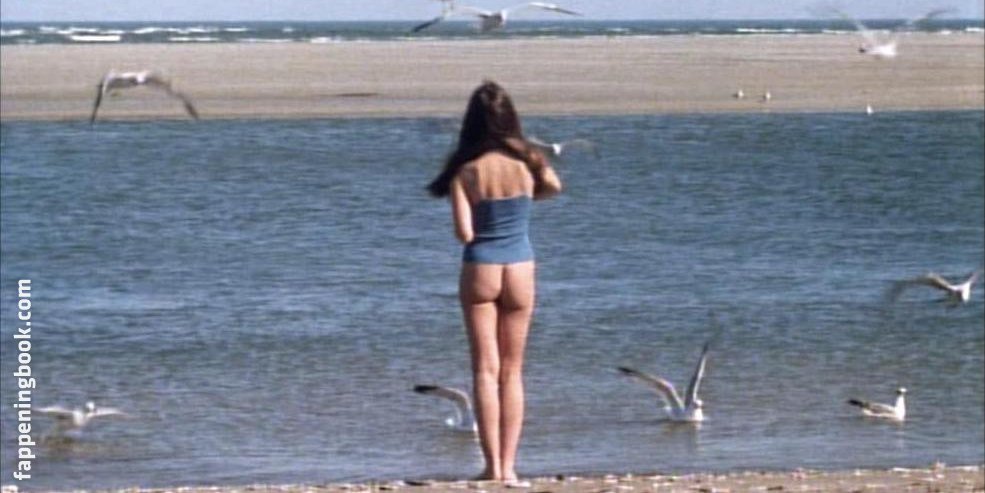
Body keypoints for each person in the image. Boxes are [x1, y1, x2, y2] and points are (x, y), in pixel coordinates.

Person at [427, 81, 562, 482]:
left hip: (481, 266)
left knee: (485, 370)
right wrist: (522, 202)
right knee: (513, 371)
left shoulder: (466, 170)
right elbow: (553, 188)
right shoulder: (529, 162)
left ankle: (493, 467)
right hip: (521, 266)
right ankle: (512, 467)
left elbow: (464, 233)